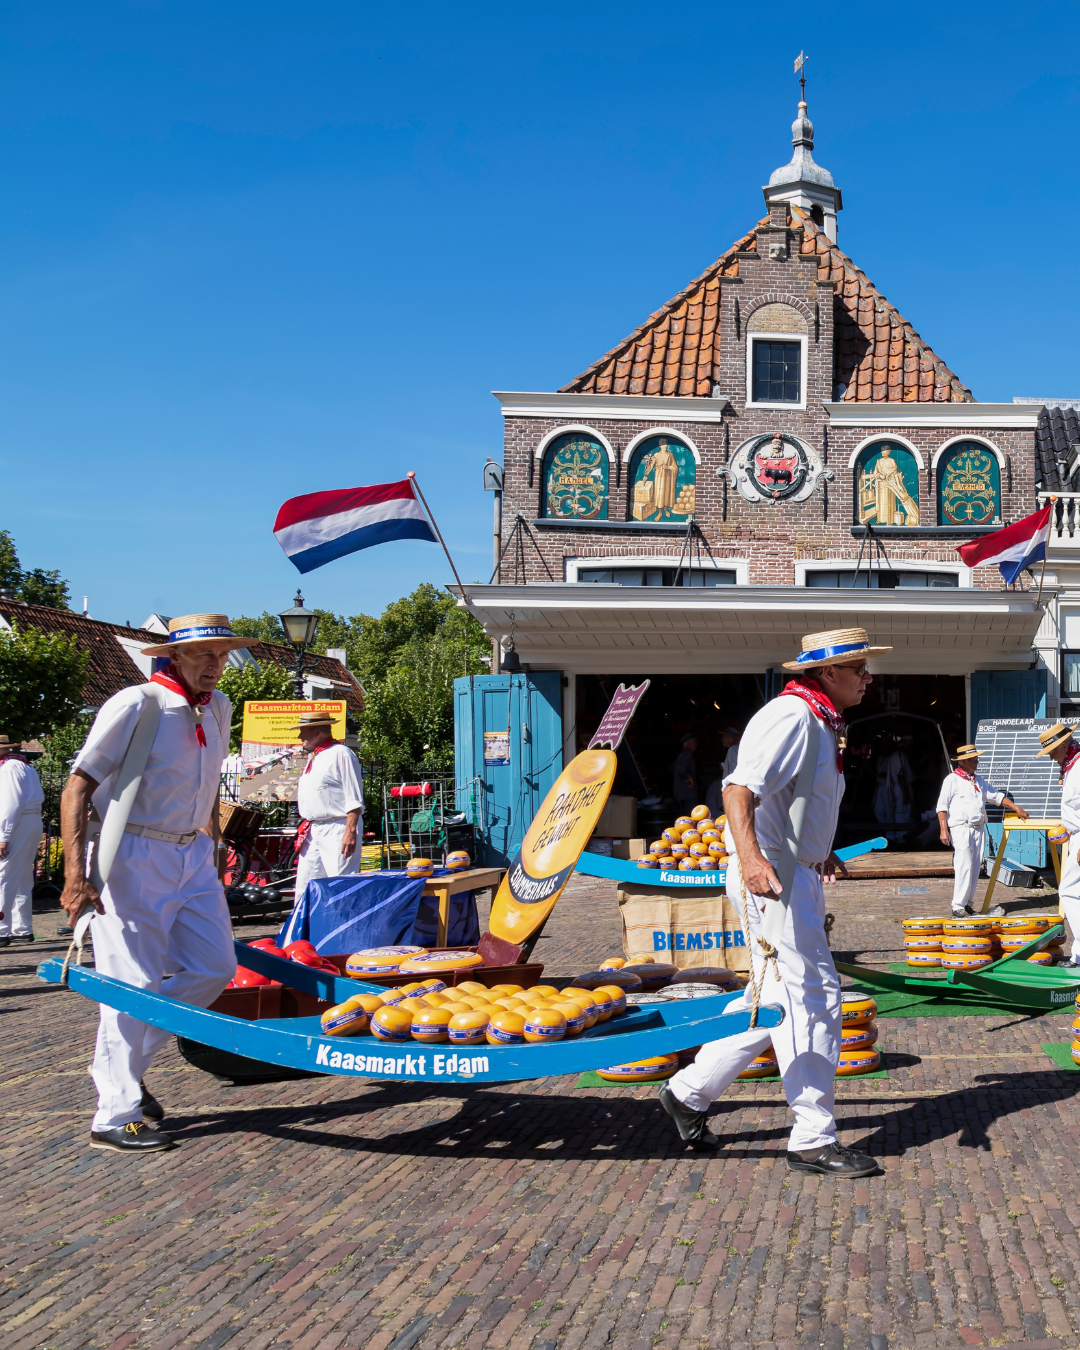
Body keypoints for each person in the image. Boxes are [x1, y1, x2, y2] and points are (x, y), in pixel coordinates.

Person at [658, 626, 886, 1177]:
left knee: (771, 998)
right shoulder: (792, 716)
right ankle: (812, 1138)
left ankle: (687, 1092)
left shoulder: (817, 718)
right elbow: (739, 790)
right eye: (859, 669)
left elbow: (793, 801)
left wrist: (818, 852)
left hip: (791, 872)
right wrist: (757, 861)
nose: (868, 678)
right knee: (814, 998)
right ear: (827, 673)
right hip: (776, 880)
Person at [60, 613, 251, 1154]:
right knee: (133, 980)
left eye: (221, 654)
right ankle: (114, 1111)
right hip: (134, 851)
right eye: (203, 655)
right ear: (173, 657)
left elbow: (209, 785)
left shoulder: (218, 708)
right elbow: (77, 787)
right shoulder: (136, 703)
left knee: (215, 967)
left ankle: (123, 1070)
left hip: (192, 853)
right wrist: (76, 877)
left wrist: (213, 849)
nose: (215, 665)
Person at [936, 745, 1028, 918]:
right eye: (973, 759)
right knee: (963, 865)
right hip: (961, 827)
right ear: (963, 761)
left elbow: (996, 797)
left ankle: (968, 903)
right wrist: (943, 830)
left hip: (978, 829)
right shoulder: (952, 780)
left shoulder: (978, 781)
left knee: (975, 866)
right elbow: (942, 807)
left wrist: (1016, 808)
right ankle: (958, 905)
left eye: (977, 758)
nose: (977, 761)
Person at [292, 710, 364, 902]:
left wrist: (350, 832)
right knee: (305, 886)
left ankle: (343, 927)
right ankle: (305, 929)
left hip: (337, 826)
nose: (299, 736)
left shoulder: (341, 753)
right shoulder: (315, 757)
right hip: (314, 828)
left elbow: (354, 798)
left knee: (340, 883)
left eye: (303, 731)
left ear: (317, 732)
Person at [1037, 724, 1080, 966]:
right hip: (1075, 835)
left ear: (1063, 745)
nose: (1051, 756)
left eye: (1053, 750)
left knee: (1068, 892)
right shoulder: (1072, 765)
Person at [0, 735, 44, 946]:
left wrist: (3, 836)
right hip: (31, 819)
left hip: (19, 822)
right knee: (23, 877)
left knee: (4, 875)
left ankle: (1, 930)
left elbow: (10, 804)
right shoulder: (25, 765)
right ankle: (22, 928)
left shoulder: (8, 768)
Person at [704, 728, 742, 818]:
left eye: (723, 737)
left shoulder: (733, 749)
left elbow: (734, 770)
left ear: (730, 738)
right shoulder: (737, 748)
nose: (722, 740)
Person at [671, 734, 699, 816]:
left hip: (682, 792)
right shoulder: (686, 754)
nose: (696, 744)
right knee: (688, 817)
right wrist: (687, 776)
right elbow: (679, 767)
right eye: (694, 742)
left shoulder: (683, 754)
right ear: (688, 743)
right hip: (687, 793)